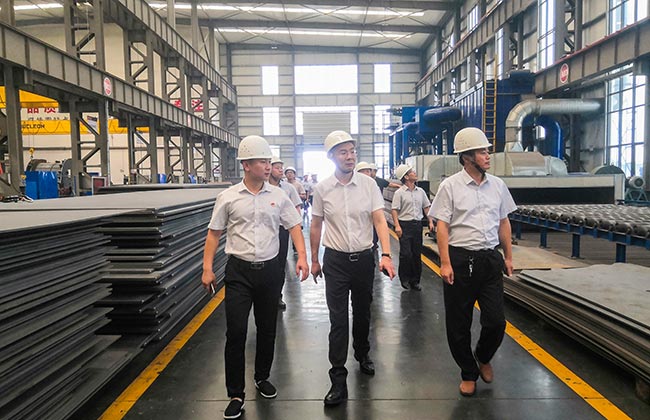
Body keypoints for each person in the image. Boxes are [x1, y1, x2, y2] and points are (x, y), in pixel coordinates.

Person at [201, 135, 309, 419]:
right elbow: (214, 234)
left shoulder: (279, 196)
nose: (268, 166)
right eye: (262, 161)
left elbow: (295, 226)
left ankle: (262, 377)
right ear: (246, 165)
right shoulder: (228, 197)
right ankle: (236, 393)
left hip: (270, 271)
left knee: (267, 328)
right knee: (236, 332)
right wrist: (207, 268)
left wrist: (302, 256)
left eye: (268, 161)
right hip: (239, 272)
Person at [428, 127, 516, 398]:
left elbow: (504, 222)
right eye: (482, 152)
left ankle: (483, 355)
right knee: (458, 324)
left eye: (487, 151)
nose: (488, 156)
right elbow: (442, 226)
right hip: (460, 259)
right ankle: (468, 372)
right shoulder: (450, 186)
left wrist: (508, 256)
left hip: (489, 260)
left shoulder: (497, 186)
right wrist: (445, 263)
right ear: (466, 157)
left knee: (496, 321)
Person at [310, 130, 396, 407]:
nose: (350, 156)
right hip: (335, 262)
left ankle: (362, 352)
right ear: (332, 157)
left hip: (363, 260)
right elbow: (316, 225)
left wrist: (386, 254)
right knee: (338, 320)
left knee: (362, 312)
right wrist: (314, 259)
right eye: (343, 152)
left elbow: (379, 220)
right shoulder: (323, 189)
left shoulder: (368, 185)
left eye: (352, 151)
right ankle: (338, 378)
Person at [390, 164, 433, 291]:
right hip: (405, 225)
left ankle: (415, 281)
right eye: (412, 172)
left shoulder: (421, 192)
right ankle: (405, 279)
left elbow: (426, 207)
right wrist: (397, 226)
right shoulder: (399, 193)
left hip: (417, 226)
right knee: (406, 254)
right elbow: (394, 210)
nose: (414, 173)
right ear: (406, 177)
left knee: (416, 254)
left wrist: (430, 221)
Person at [269, 156, 303, 310]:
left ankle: (277, 295)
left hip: (282, 230)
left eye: (281, 167)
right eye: (277, 167)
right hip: (266, 229)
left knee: (279, 263)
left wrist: (297, 226)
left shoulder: (288, 188)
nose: (281, 170)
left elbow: (296, 207)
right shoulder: (261, 187)